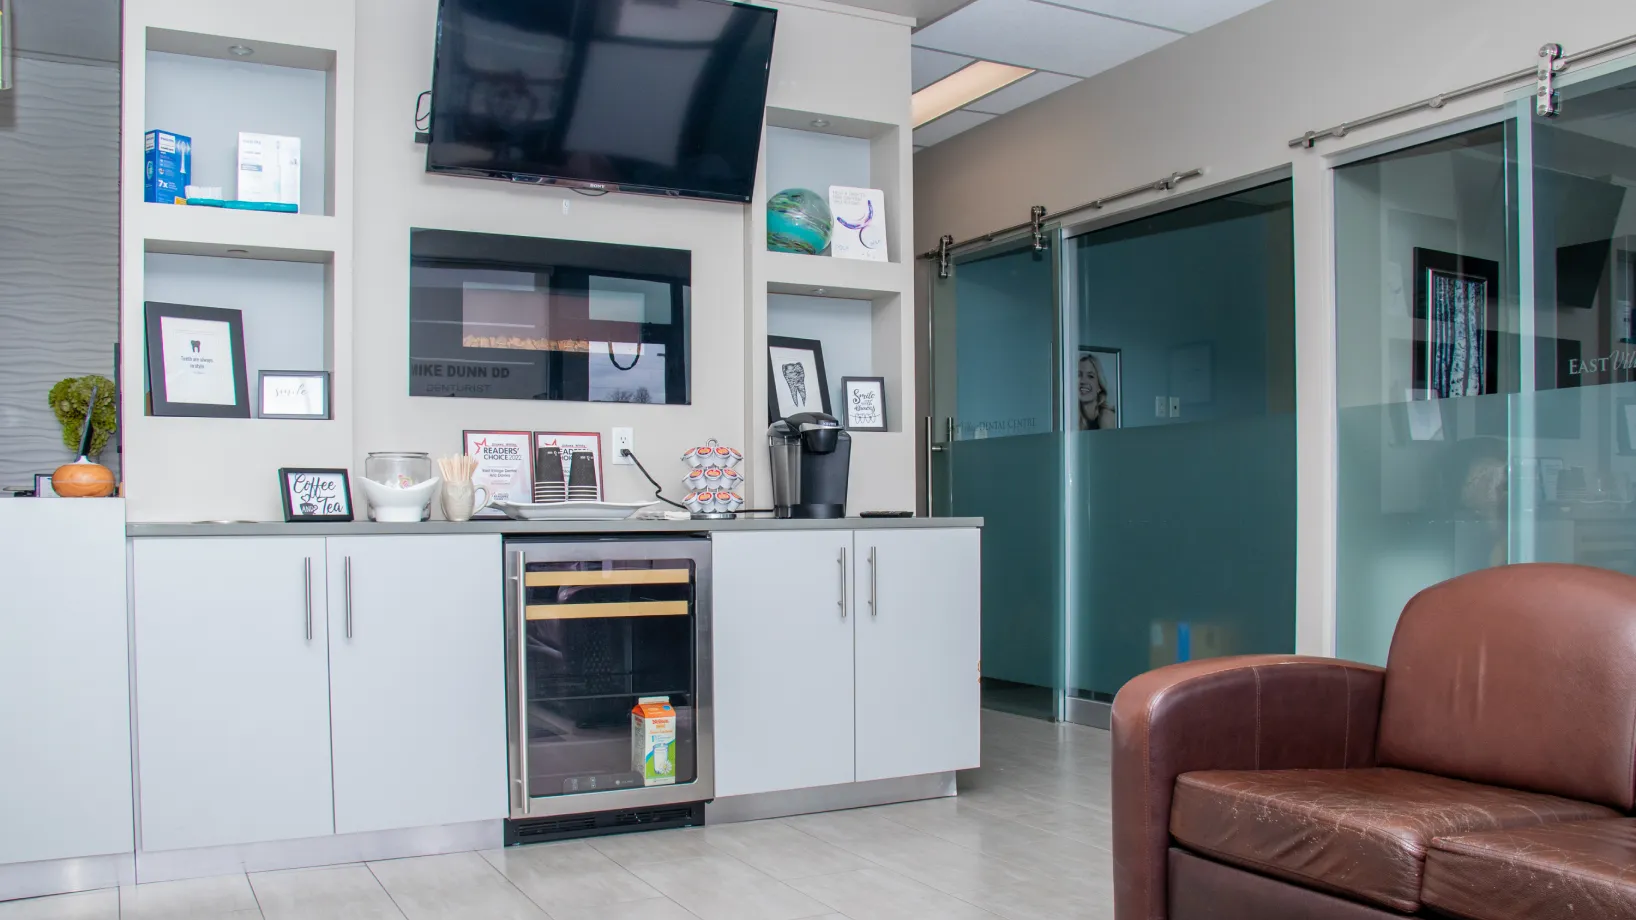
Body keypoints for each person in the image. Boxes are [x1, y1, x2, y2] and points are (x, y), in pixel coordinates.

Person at [1078, 351, 1118, 430]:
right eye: (1079, 375)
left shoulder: (1106, 417)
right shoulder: (1070, 417)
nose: (1083, 381)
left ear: (1099, 386)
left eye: (1090, 376)